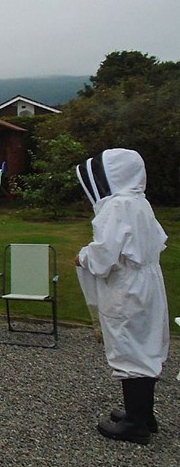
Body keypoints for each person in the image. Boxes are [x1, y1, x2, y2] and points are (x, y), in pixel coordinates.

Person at [75, 149, 170, 445]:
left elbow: (105, 255)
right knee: (145, 343)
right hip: (148, 282)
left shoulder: (117, 207)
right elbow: (159, 241)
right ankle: (143, 414)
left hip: (127, 285)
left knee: (129, 346)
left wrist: (83, 257)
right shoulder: (140, 203)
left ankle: (136, 424)